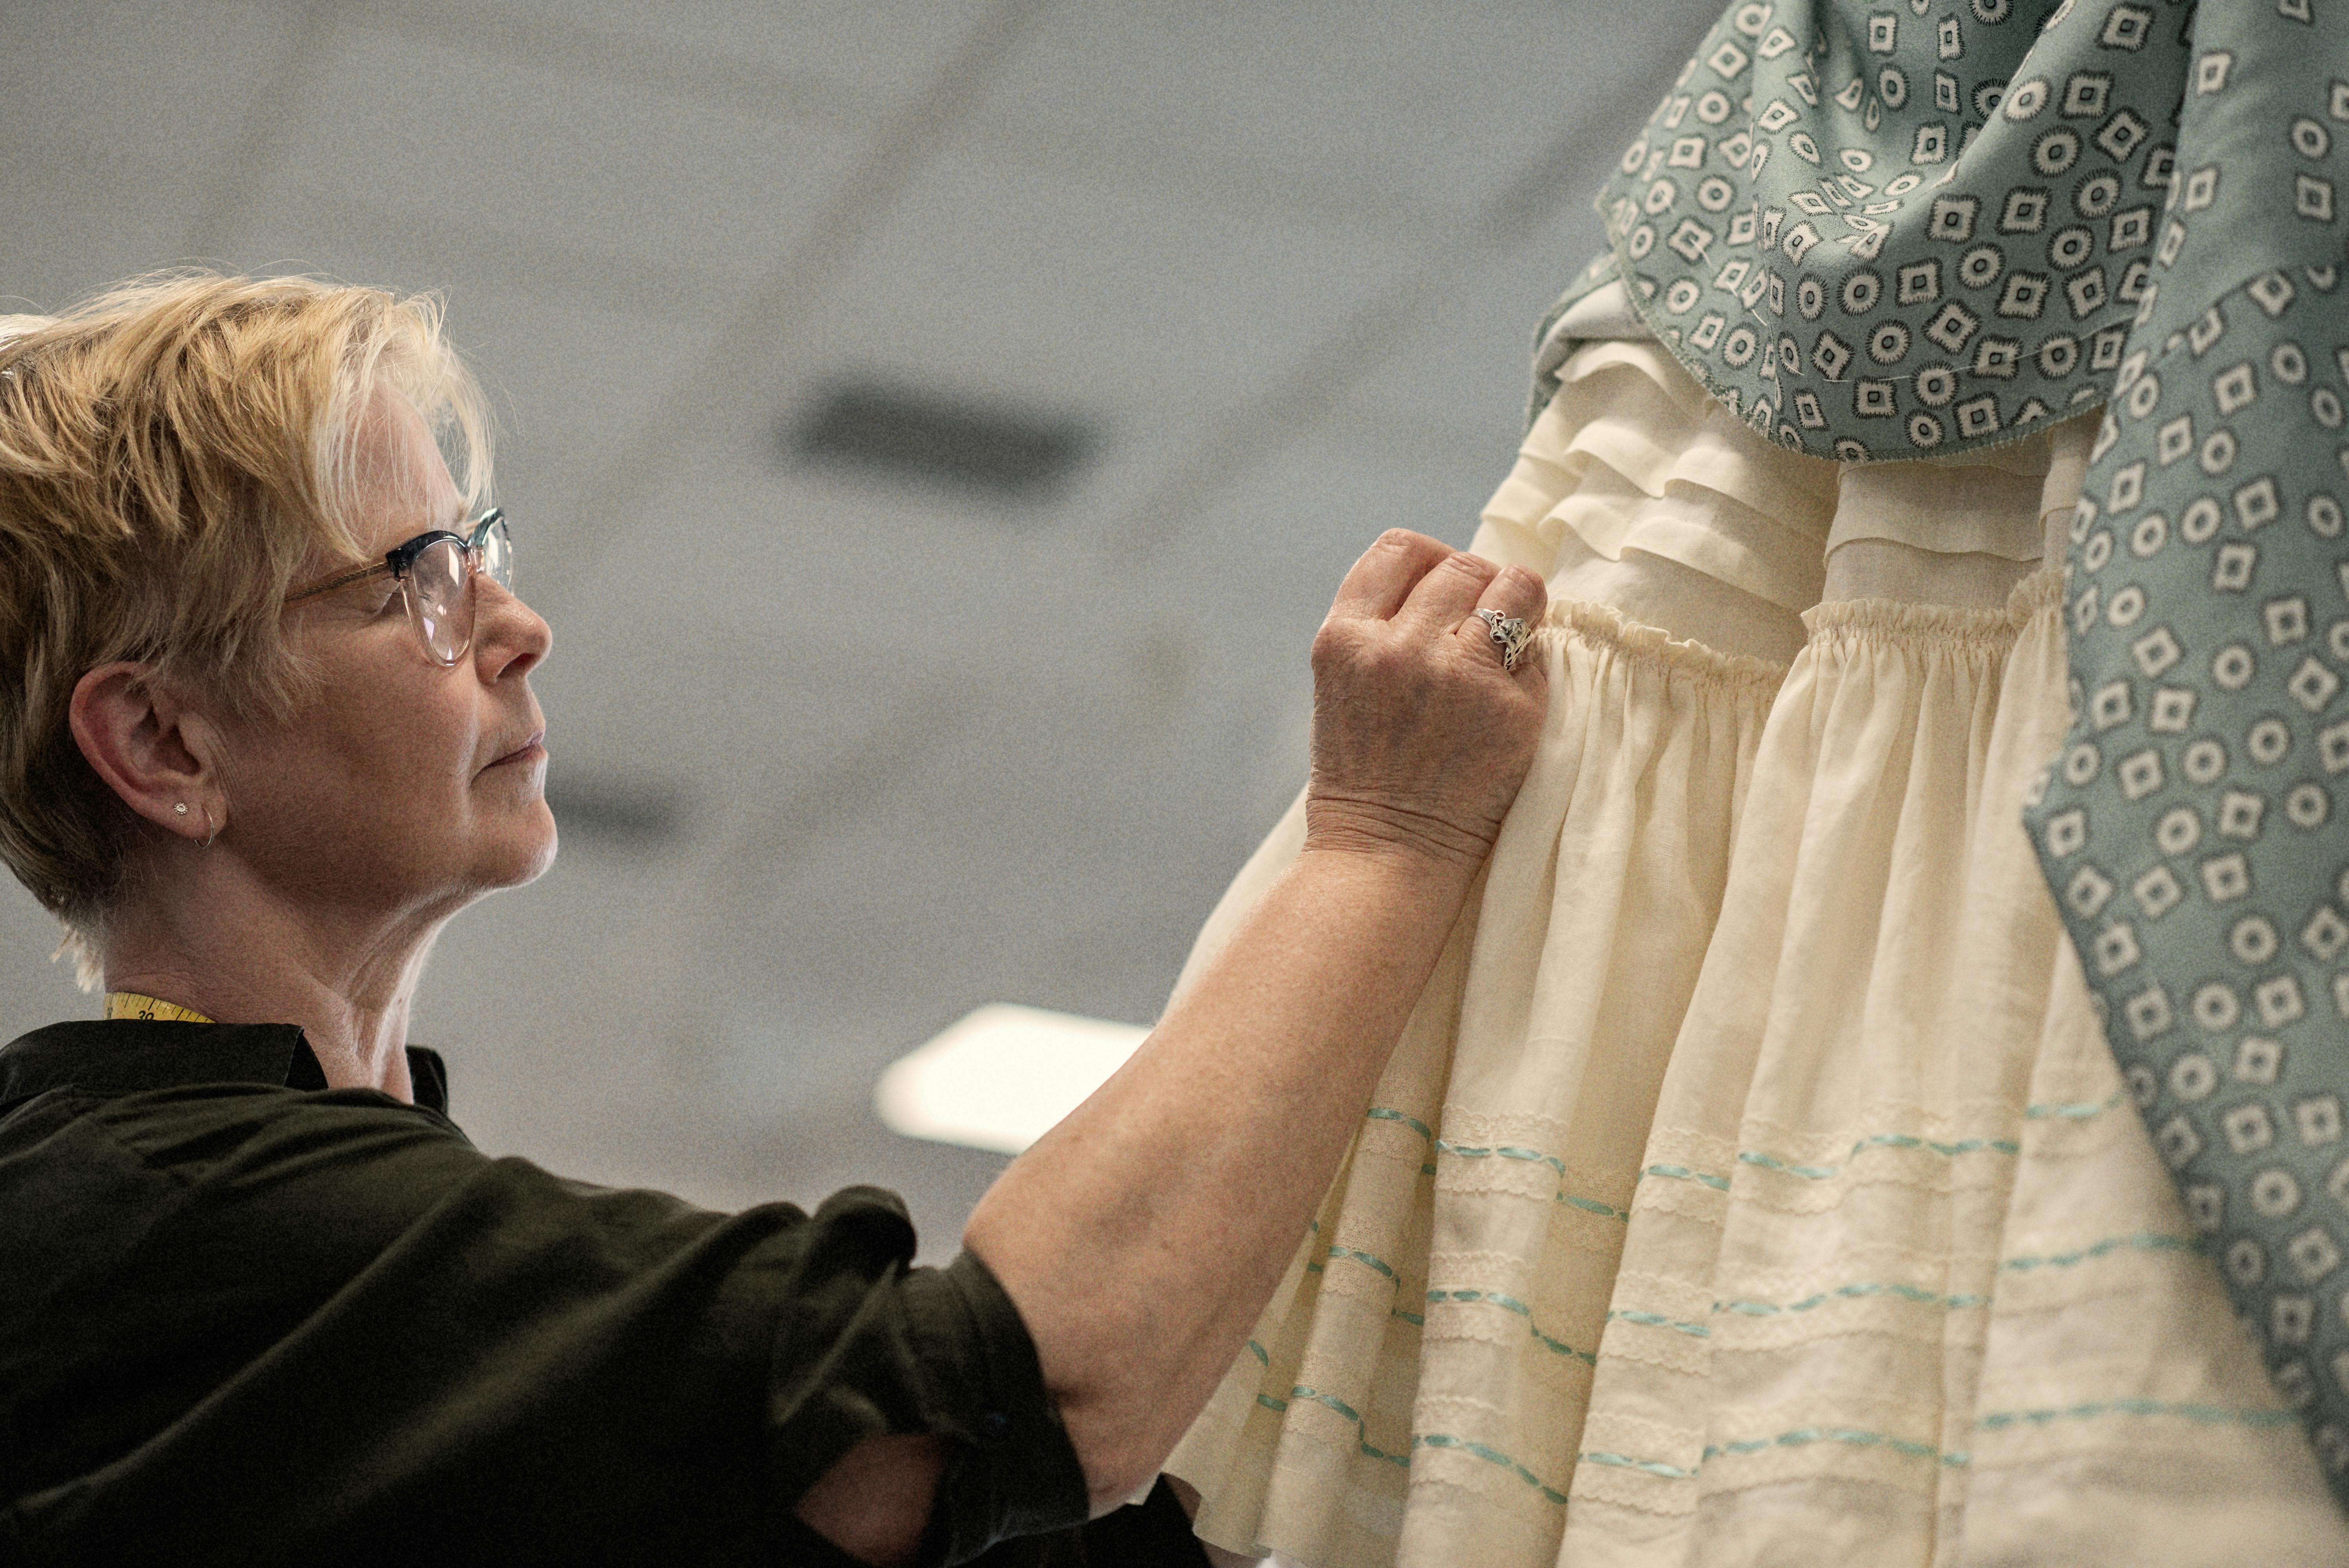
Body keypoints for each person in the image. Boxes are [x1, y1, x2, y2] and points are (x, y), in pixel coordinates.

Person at [0, 273, 1549, 1566]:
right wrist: (1382, 843)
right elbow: (1016, 1389)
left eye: (483, 553)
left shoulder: (304, 1229)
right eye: (412, 581)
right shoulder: (167, 1224)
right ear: (165, 745)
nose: (515, 626)